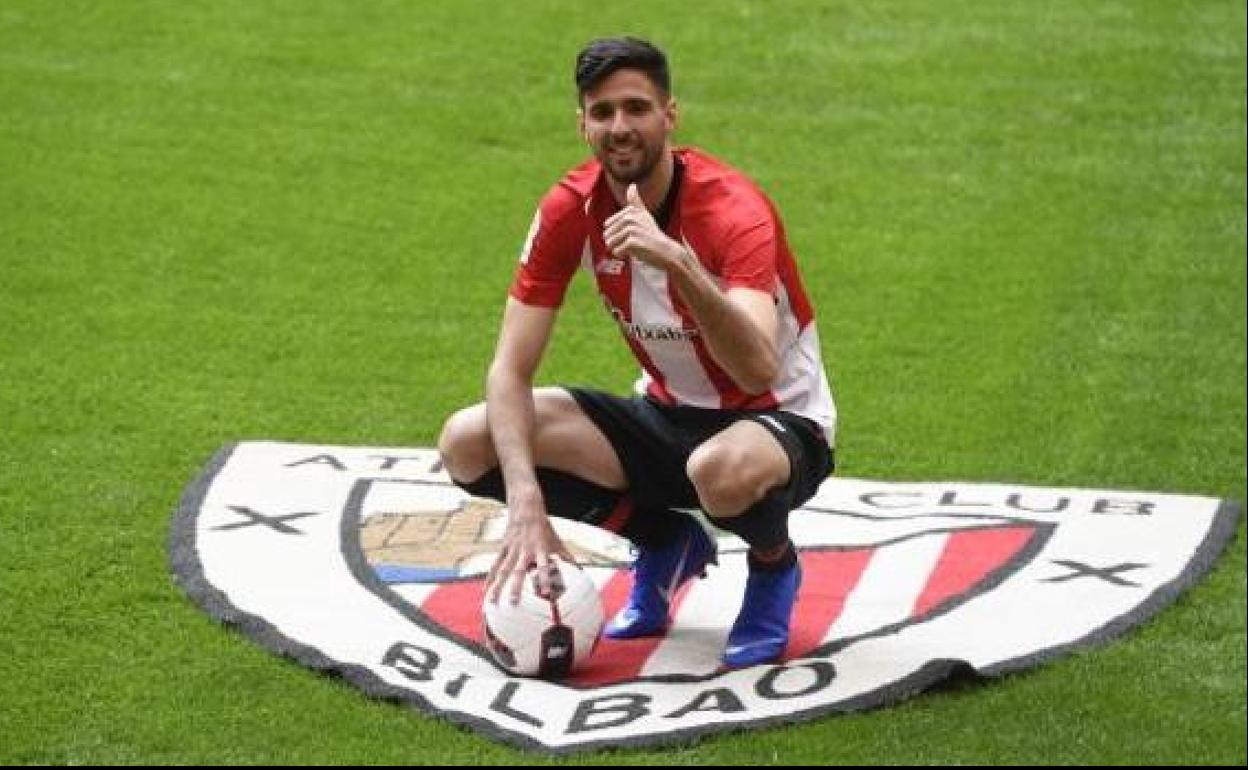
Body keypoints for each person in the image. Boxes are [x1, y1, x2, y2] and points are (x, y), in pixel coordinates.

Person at [437, 36, 836, 668]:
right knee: (467, 439)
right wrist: (524, 503)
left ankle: (773, 564)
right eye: (603, 113)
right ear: (583, 124)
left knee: (719, 470)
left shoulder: (737, 210)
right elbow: (509, 369)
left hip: (776, 422)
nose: (619, 128)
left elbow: (758, 366)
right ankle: (663, 538)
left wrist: (677, 262)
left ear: (669, 116)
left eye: (636, 108)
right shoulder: (571, 208)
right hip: (664, 416)